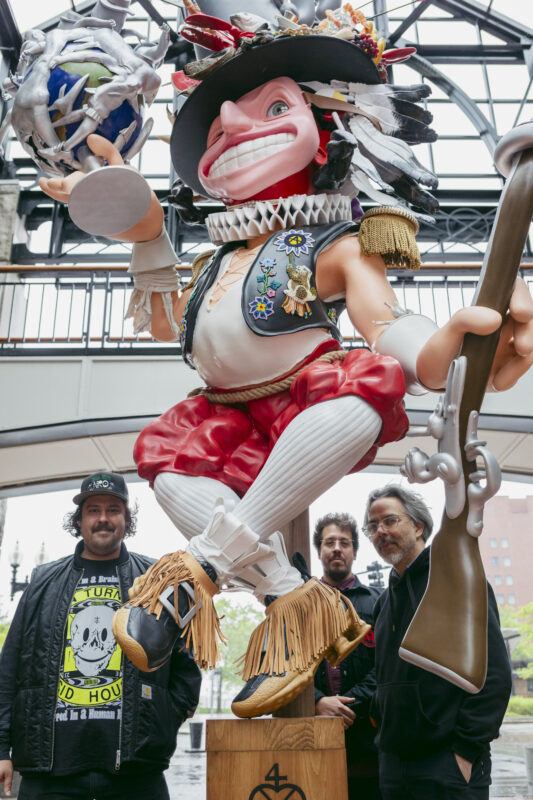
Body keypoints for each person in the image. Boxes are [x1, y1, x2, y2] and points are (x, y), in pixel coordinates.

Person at [37, 0, 533, 719]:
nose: (232, 126)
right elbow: (169, 328)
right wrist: (146, 233)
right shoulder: (217, 260)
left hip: (306, 403)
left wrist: (443, 350)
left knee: (362, 394)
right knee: (171, 470)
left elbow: (386, 324)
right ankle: (294, 605)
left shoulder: (335, 244)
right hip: (226, 416)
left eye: (270, 105)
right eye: (217, 123)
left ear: (328, 129)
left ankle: (195, 574)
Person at [0, 472, 201, 800]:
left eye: (113, 509)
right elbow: (9, 671)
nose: (103, 518)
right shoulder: (42, 583)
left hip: (136, 772)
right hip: (49, 772)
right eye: (93, 510)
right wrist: (1, 748)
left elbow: (187, 669)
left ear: (126, 519)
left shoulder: (155, 582)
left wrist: (160, 719)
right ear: (79, 520)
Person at [364, 484, 512, 800]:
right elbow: (383, 677)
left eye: (390, 521)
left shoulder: (456, 579)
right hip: (395, 764)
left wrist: (465, 751)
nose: (380, 532)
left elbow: (495, 673)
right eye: (373, 526)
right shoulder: (384, 601)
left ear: (418, 526)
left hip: (448, 765)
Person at [313, 513, 381, 800]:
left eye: (345, 542)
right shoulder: (300, 604)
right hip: (314, 733)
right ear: (319, 550)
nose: (337, 548)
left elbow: (388, 665)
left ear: (354, 552)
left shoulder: (379, 601)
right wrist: (317, 700)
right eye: (330, 542)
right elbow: (288, 664)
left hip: (369, 733)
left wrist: (347, 703)